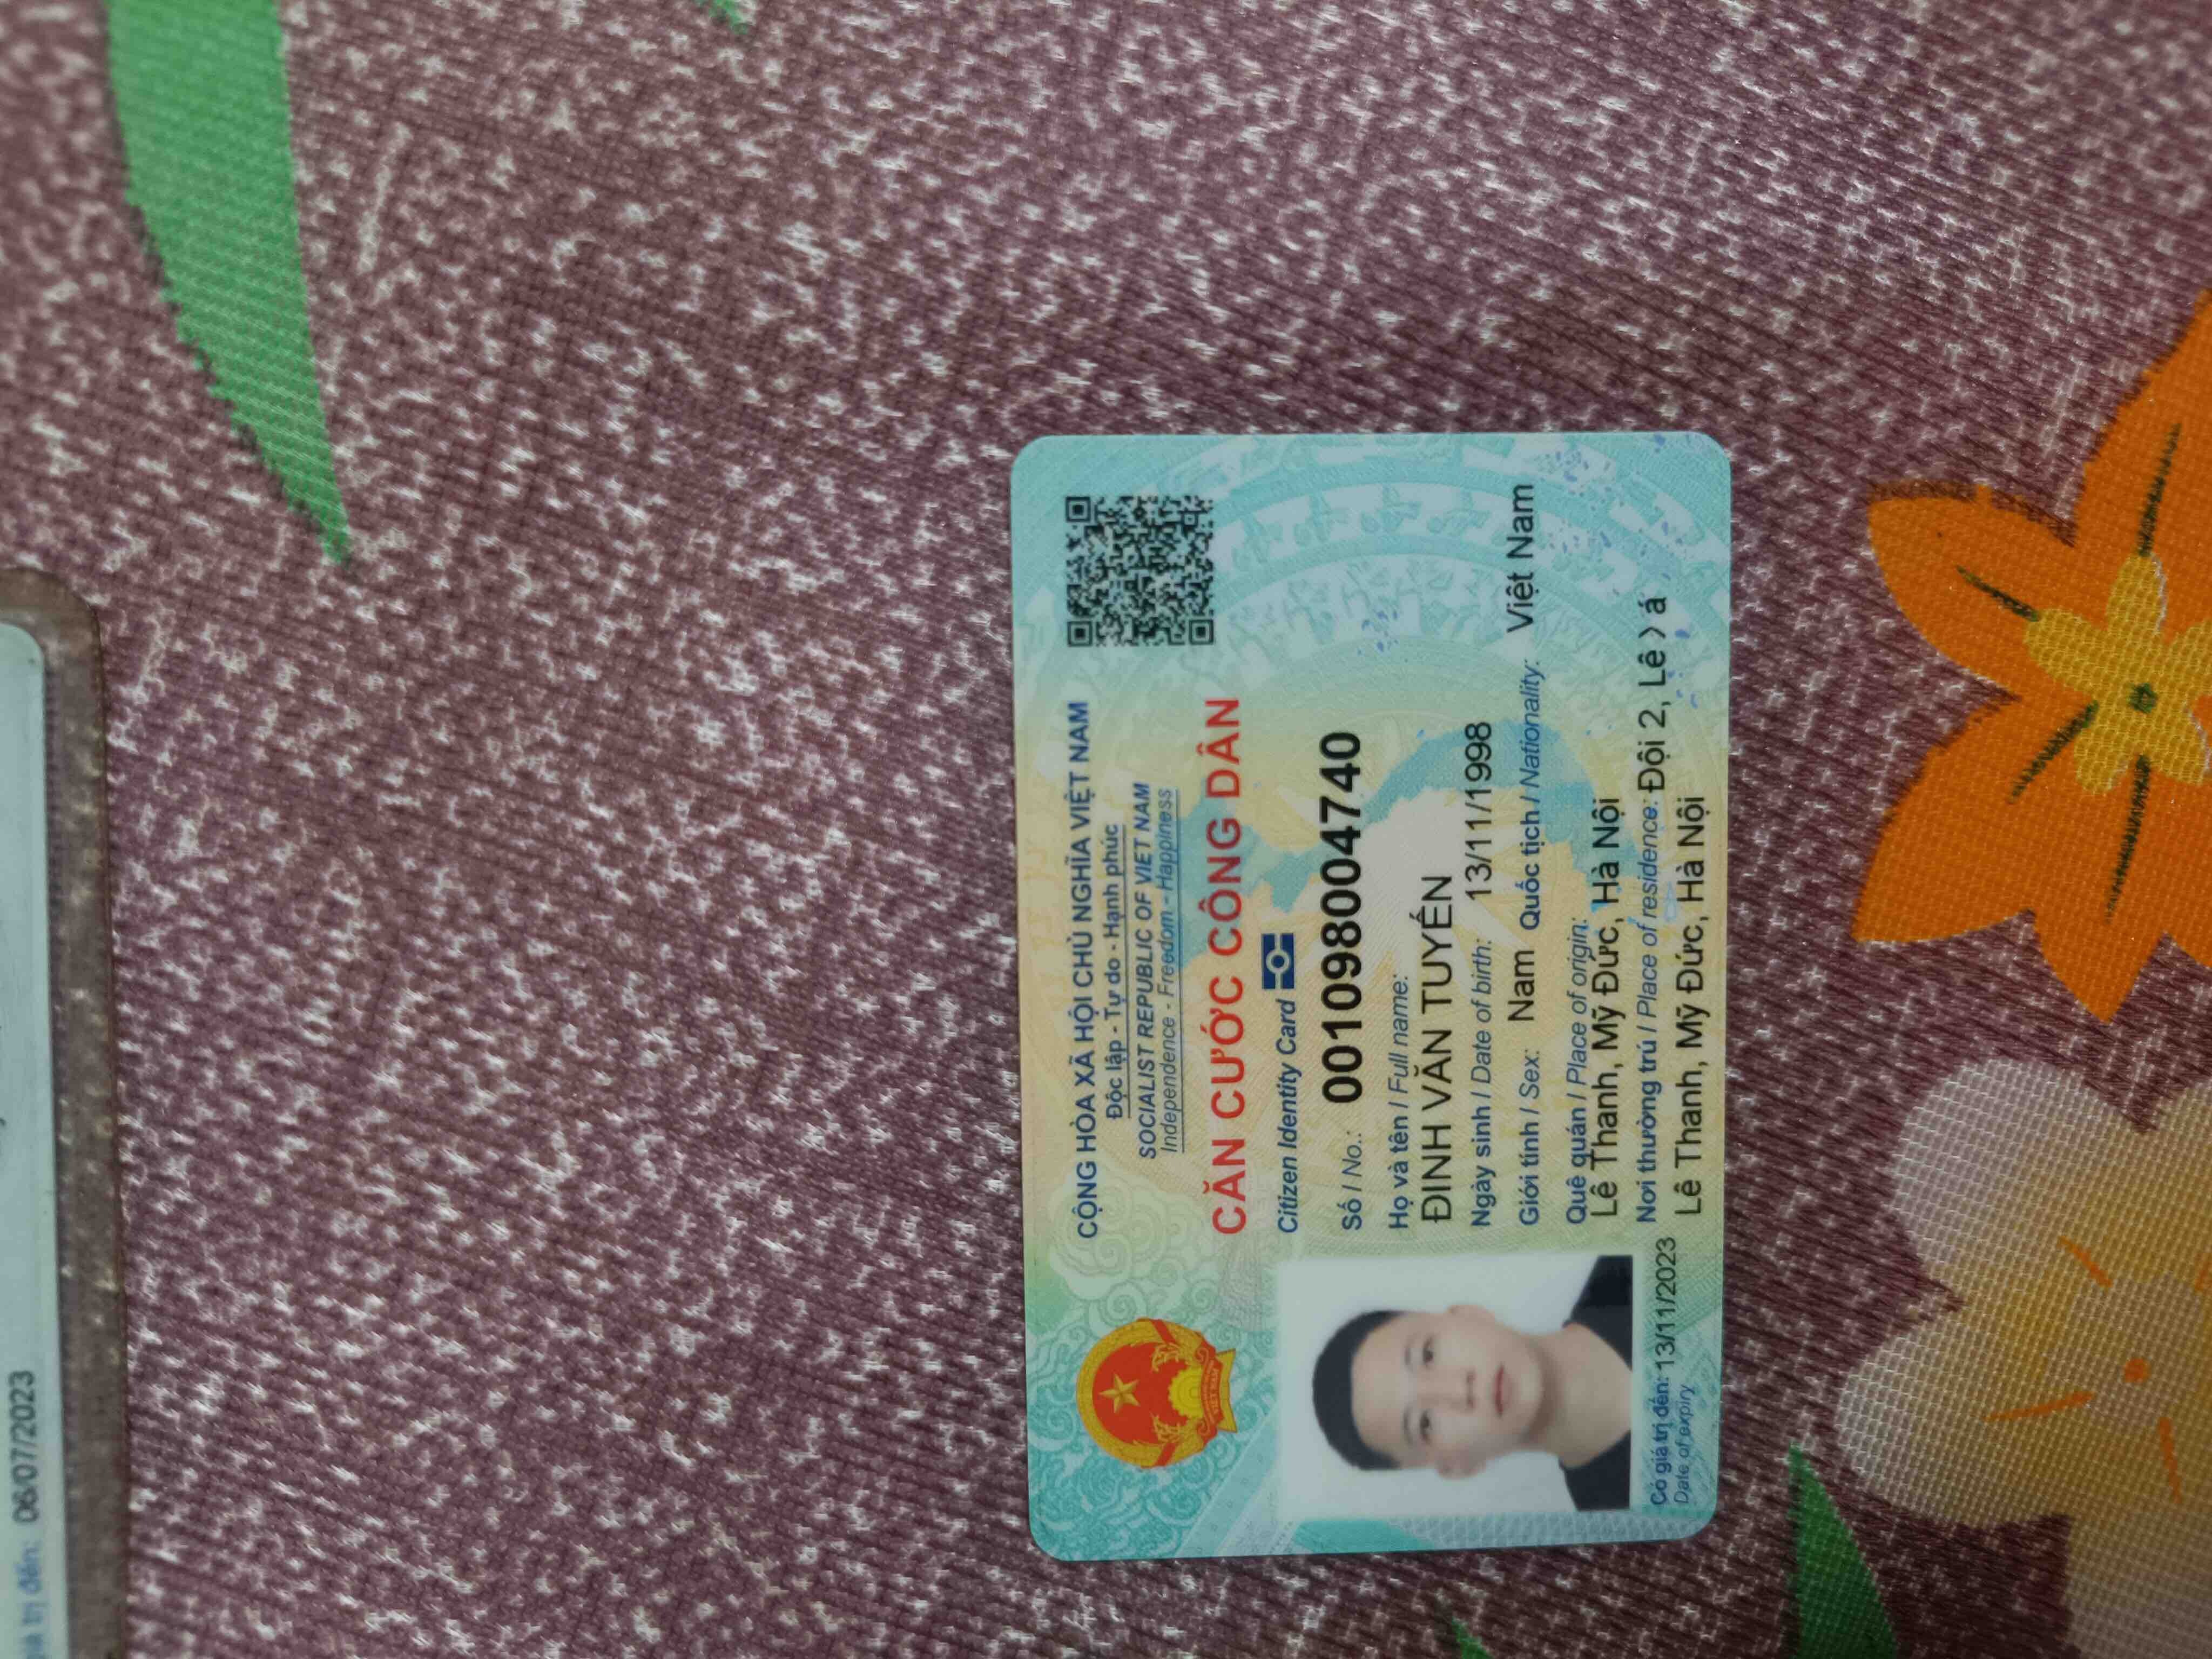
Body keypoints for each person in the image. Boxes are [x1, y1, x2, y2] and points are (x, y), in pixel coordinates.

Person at [1309, 1256, 1633, 1508]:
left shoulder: (1640, 1253)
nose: (1458, 1391)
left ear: (1469, 1314)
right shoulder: (1622, 1533)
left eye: (1429, 1354)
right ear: (1458, 1467)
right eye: (1425, 1424)